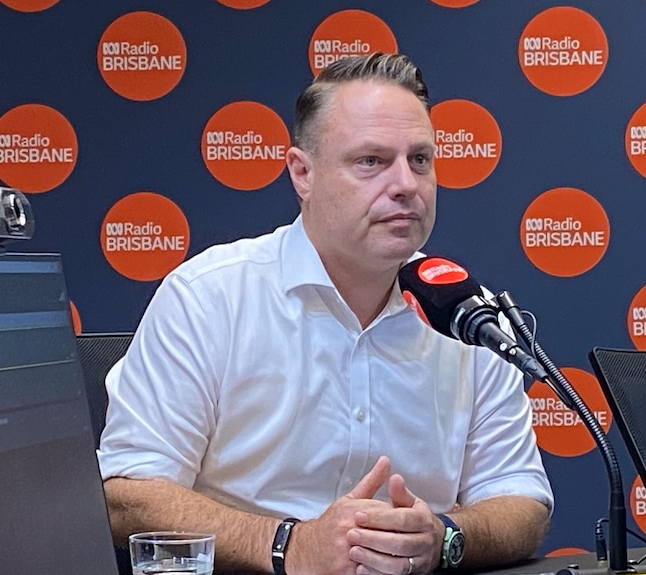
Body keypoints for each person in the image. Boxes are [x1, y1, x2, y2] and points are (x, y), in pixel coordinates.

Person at [97, 52, 553, 575]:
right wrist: (288, 546)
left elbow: (522, 502)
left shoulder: (467, 313)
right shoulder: (210, 297)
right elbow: (130, 494)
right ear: (302, 174)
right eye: (371, 162)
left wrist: (446, 537)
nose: (405, 183)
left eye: (420, 160)